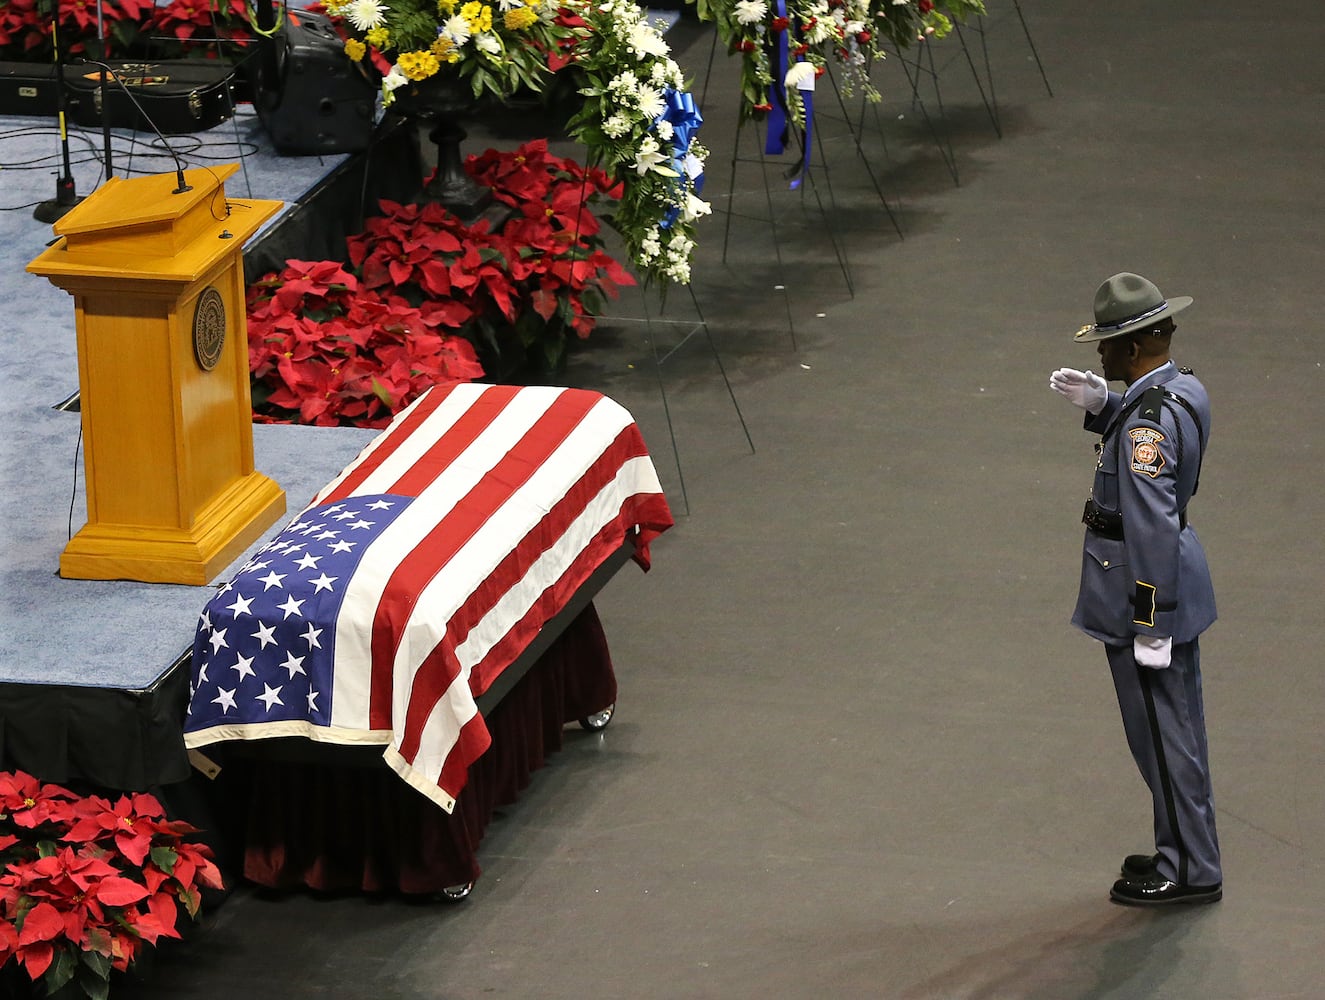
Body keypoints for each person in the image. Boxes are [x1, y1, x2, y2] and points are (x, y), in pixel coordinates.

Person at [1049, 272, 1222, 906]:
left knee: (1161, 735)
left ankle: (1189, 869)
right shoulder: (1180, 390)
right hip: (1174, 575)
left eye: (1107, 345)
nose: (1099, 355)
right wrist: (1106, 409)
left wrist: (1151, 621)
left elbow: (1148, 523)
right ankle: (1182, 847)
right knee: (1176, 730)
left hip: (1143, 590)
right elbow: (1158, 434)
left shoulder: (1146, 424)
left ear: (1131, 347)